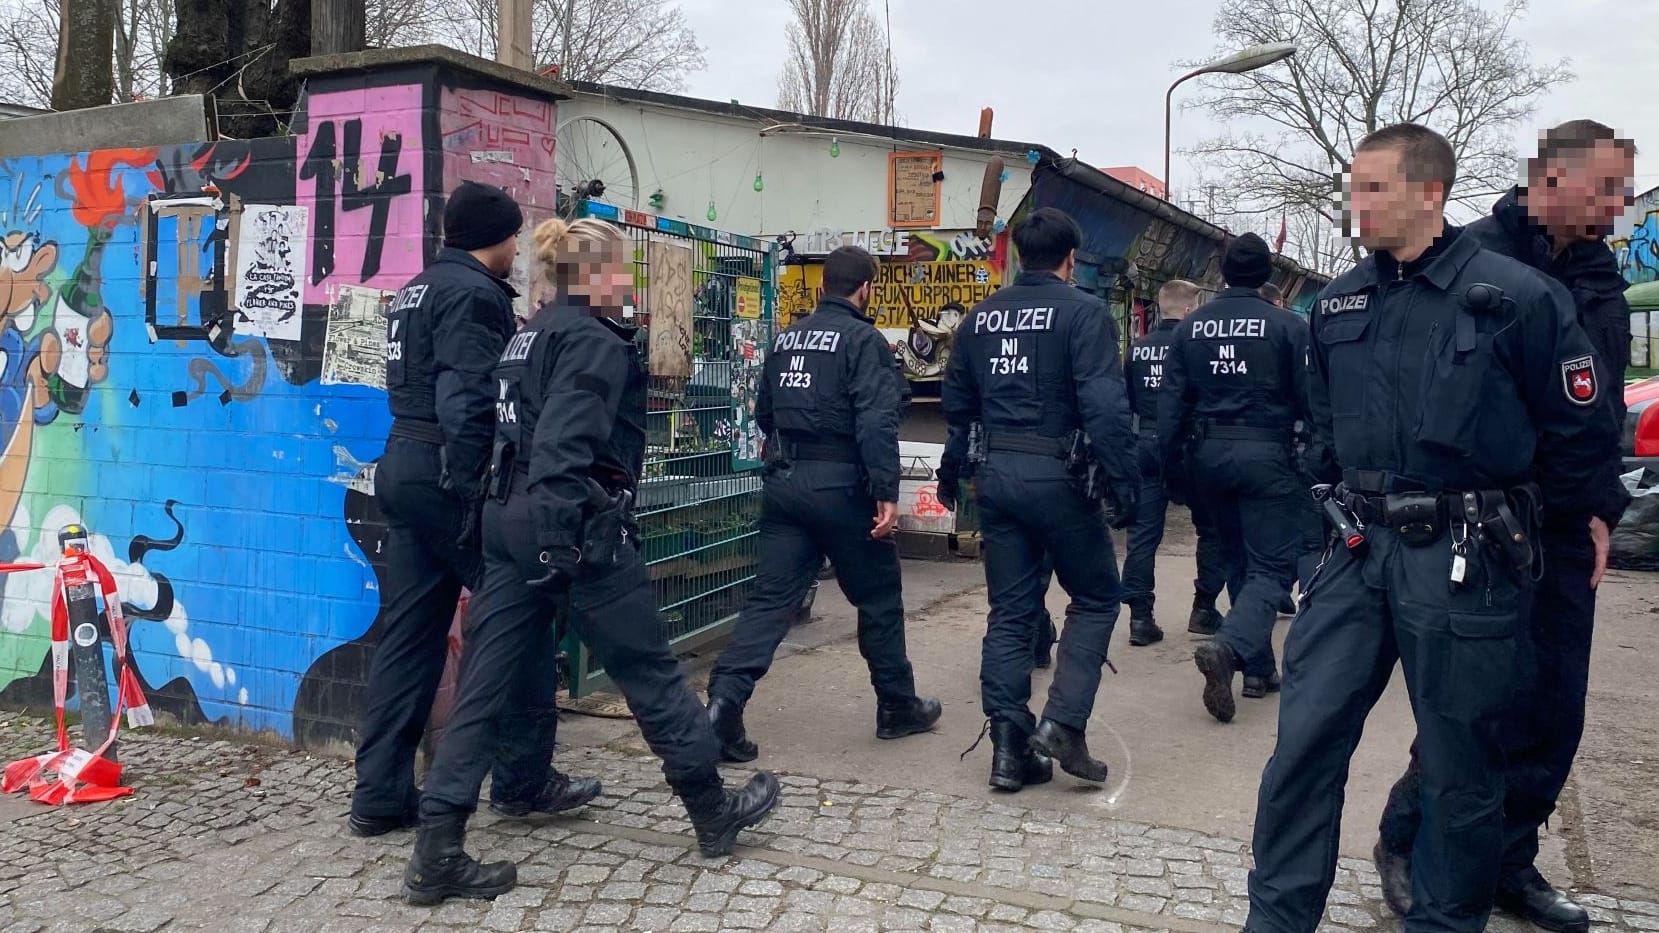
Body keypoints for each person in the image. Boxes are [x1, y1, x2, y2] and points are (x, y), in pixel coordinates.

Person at [1243, 123, 1619, 933]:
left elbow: (1578, 431)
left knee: (1461, 767)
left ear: (1429, 192)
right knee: (1302, 748)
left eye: (1373, 188)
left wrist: (1542, 530)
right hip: (1353, 552)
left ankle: (1447, 923)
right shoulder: (1338, 300)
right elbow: (1318, 427)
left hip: (1467, 555)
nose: (1358, 204)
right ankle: (1274, 920)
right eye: (1354, 188)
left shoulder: (1515, 297)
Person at [403, 217, 781, 905]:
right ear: (601, 274)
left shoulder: (529, 334)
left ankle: (438, 846)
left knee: (485, 685)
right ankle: (710, 806)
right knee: (649, 670)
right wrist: (561, 540)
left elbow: (500, 433)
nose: (632, 285)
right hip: (573, 523)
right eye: (625, 272)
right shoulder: (589, 341)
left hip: (509, 518)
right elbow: (565, 442)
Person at [1371, 119, 1637, 930]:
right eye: (1606, 187)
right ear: (1550, 179)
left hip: (1560, 527)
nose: (1617, 205)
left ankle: (1505, 862)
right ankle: (1409, 841)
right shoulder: (1467, 256)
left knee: (1551, 703)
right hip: (1475, 527)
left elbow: (1595, 409)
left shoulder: (1597, 275)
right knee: (1473, 706)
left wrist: (1596, 507)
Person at [349, 181, 598, 837]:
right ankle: (522, 779)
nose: (518, 248)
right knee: (519, 616)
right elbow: (468, 403)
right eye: (515, 235)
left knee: (408, 636)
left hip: (400, 463)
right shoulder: (472, 293)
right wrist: (471, 495)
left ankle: (378, 794)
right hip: (444, 473)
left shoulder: (417, 288)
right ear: (498, 234)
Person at [703, 245, 942, 761]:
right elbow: (876, 422)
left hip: (787, 482)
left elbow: (764, 412)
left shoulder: (787, 340)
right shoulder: (864, 340)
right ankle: (897, 707)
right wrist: (885, 493)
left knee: (771, 601)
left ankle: (723, 703)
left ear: (821, 287)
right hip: (843, 488)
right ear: (865, 290)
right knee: (878, 598)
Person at [937, 207, 1139, 793]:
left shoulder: (980, 319)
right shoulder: (1084, 313)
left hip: (996, 478)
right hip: (1062, 480)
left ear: (1020, 256)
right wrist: (1126, 484)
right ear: (1071, 258)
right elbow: (1104, 408)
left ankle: (1007, 745)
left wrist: (954, 475)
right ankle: (1063, 724)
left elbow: (959, 408)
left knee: (1011, 611)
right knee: (1098, 597)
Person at [1158, 234, 1310, 721]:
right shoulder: (1289, 327)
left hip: (1207, 456)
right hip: (1269, 455)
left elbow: (1170, 410)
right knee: (1273, 567)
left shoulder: (1189, 328)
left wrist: (1174, 474)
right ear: (1269, 274)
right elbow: (1314, 403)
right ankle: (1229, 647)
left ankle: (1258, 670)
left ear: (1221, 272)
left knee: (1240, 561)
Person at [1118, 279, 1206, 647]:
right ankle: (1205, 607)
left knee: (1143, 535)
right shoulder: (1196, 348)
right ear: (1188, 310)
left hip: (1144, 443)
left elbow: (1125, 400)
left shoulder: (1137, 349)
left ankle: (1140, 617)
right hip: (1189, 445)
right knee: (1211, 529)